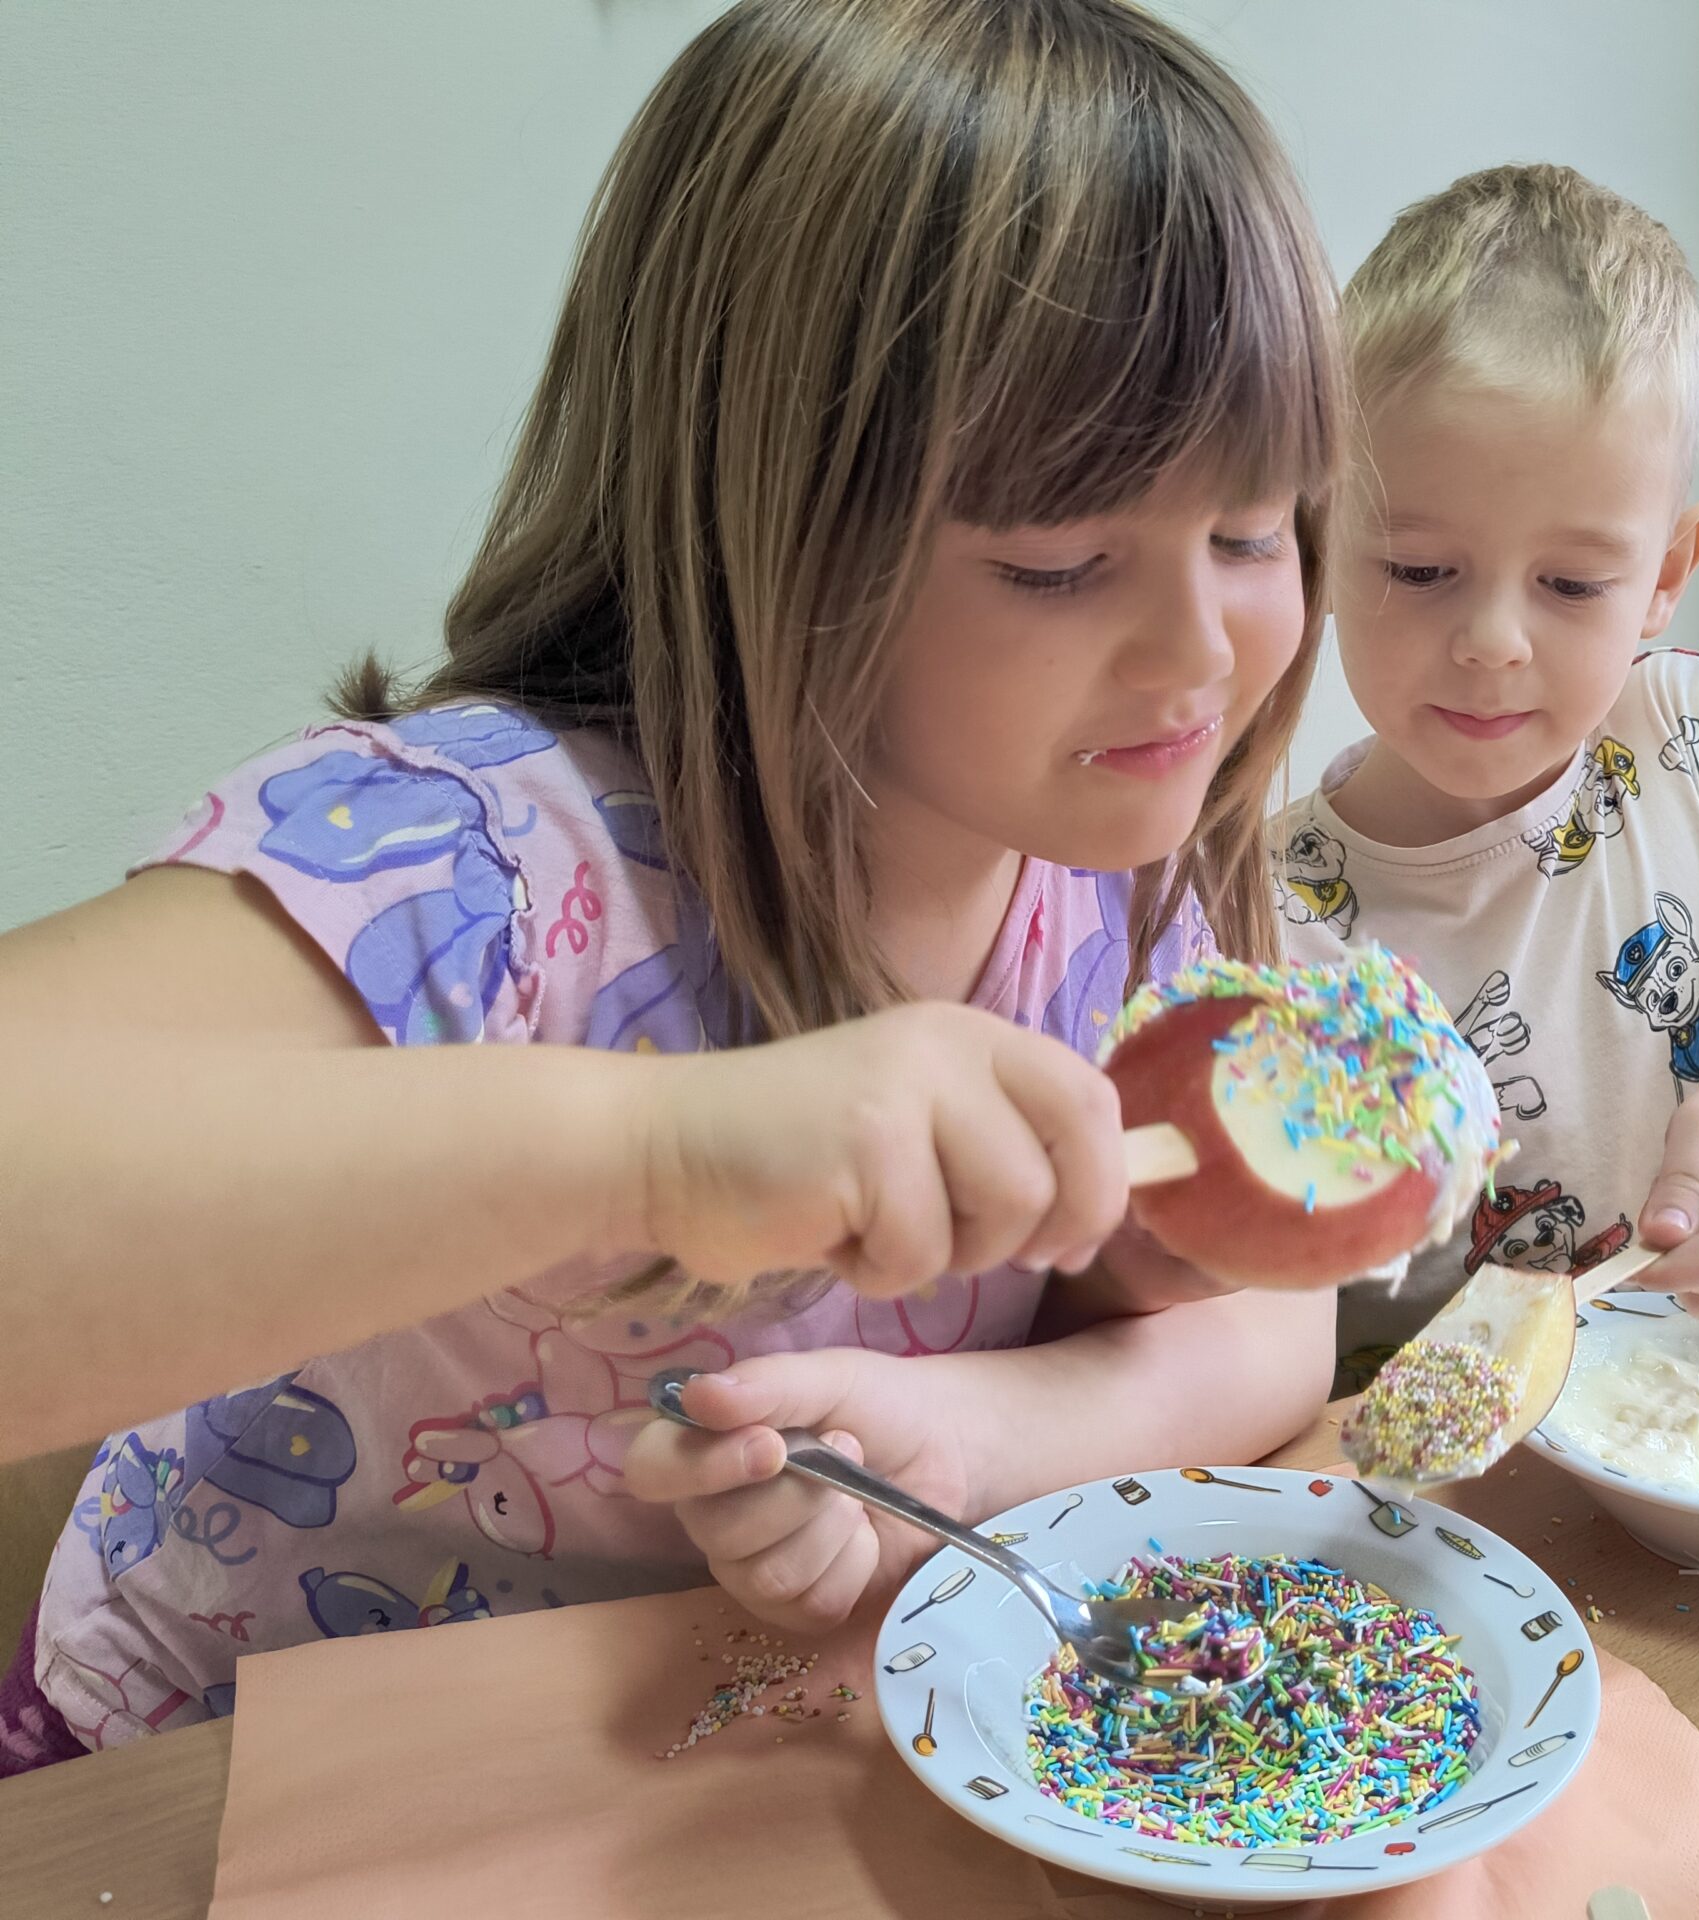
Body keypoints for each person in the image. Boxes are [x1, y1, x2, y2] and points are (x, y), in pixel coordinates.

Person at [0, 0, 1341, 1772]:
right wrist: (662, 1154)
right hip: (213, 1782)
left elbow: (1287, 1316)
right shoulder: (485, 866)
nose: (1202, 651)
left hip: (678, 1772)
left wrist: (972, 1432)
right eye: (1060, 560)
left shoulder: (1123, 880)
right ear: (769, 508)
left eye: (1255, 532)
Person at [1266, 164, 1699, 1385]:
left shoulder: (1682, 731)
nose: (1493, 641)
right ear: (1321, 536)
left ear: (1665, 576)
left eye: (1573, 584)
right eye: (1417, 569)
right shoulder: (1267, 903)